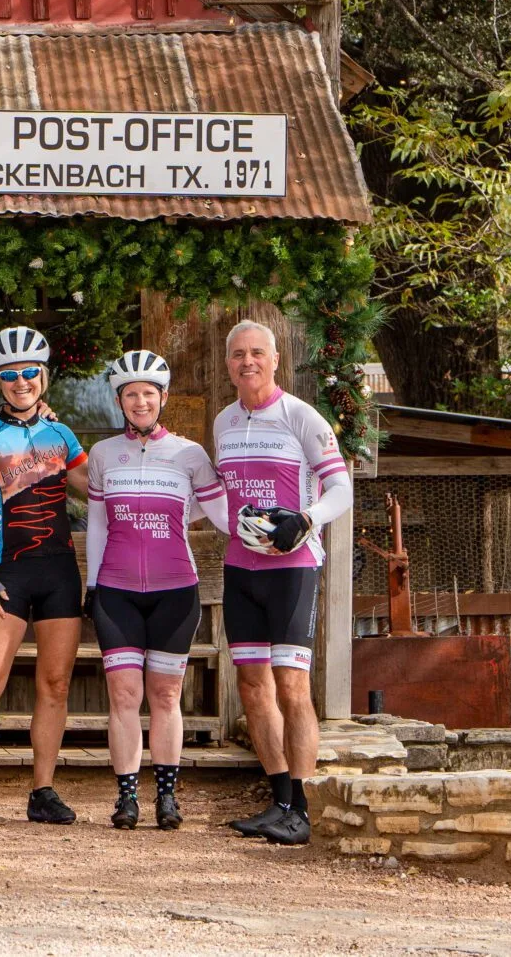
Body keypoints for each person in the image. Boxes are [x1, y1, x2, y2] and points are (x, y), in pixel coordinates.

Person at [209, 318, 353, 846]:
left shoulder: (301, 417)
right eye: (238, 355)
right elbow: (221, 494)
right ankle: (279, 802)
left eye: (257, 354)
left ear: (276, 361)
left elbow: (342, 489)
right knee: (251, 686)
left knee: (292, 687)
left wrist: (307, 518)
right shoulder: (224, 422)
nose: (248, 362)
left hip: (293, 568)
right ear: (228, 365)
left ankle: (305, 806)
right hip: (240, 567)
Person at [0, 326, 89, 825]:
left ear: (44, 376)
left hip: (59, 571)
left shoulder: (63, 434)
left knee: (55, 683)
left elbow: (93, 489)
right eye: (9, 375)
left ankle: (43, 790)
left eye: (29, 372)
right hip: (5, 573)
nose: (20, 381)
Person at [83, 349, 225, 832]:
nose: (139, 401)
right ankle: (126, 799)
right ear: (119, 400)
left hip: (175, 589)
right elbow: (98, 524)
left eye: (148, 393)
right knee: (123, 693)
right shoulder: (103, 455)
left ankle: (167, 798)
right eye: (130, 394)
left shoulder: (189, 454)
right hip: (116, 591)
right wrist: (91, 583)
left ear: (162, 398)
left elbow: (218, 510)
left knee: (166, 696)